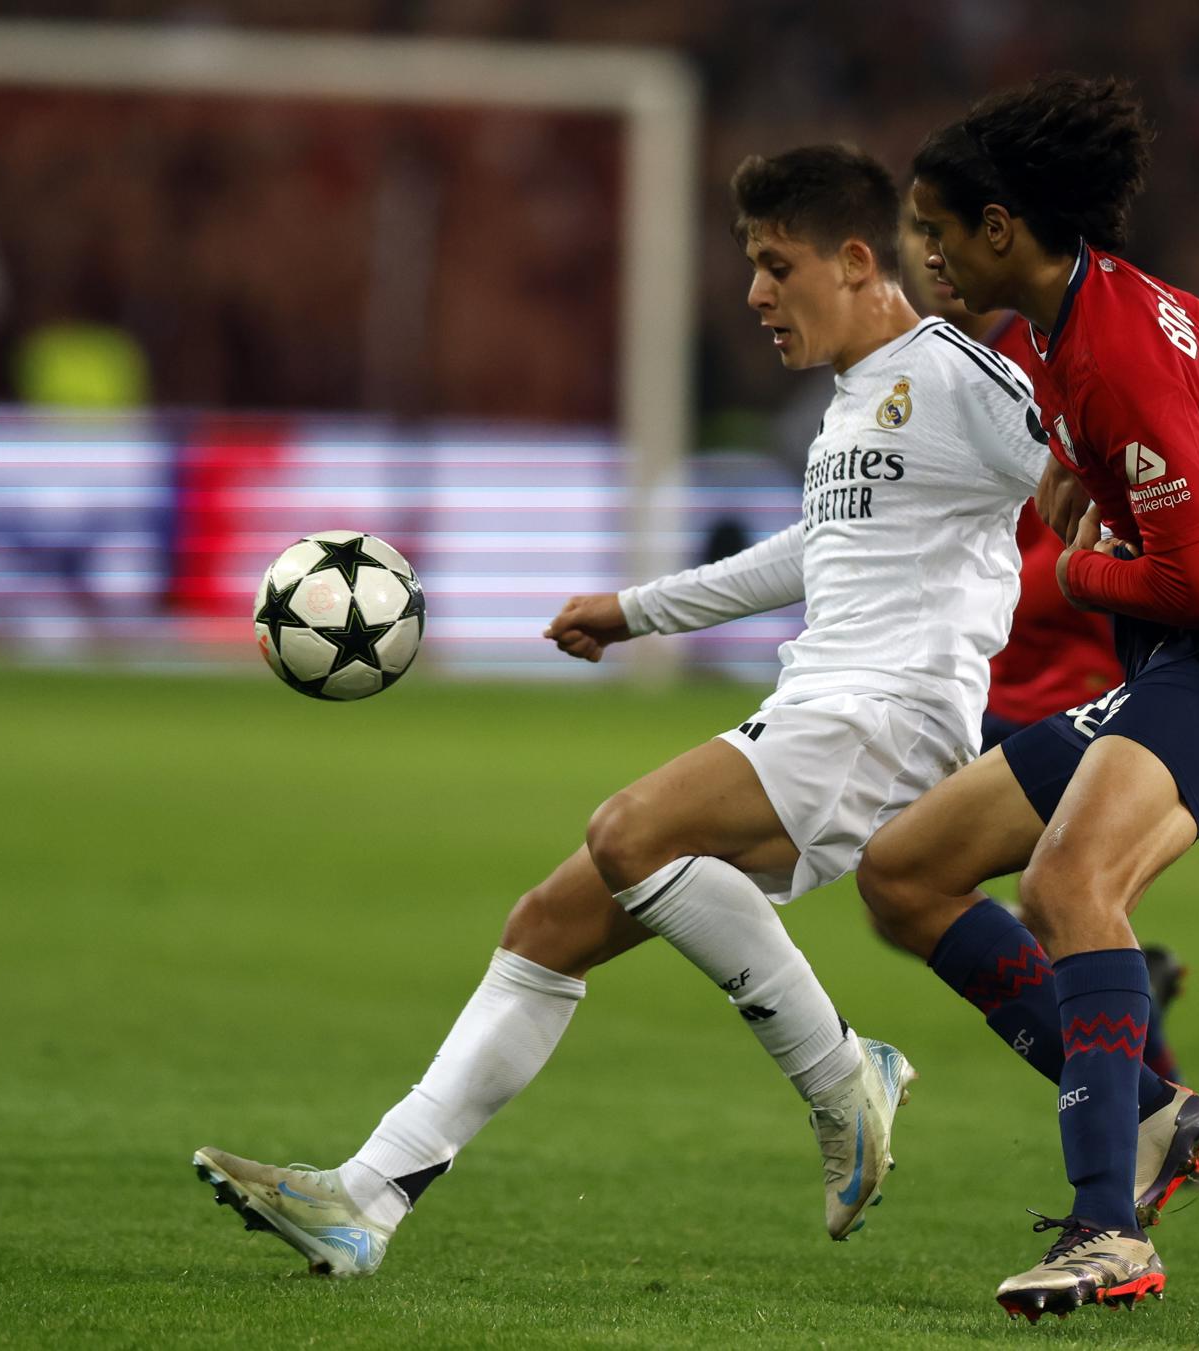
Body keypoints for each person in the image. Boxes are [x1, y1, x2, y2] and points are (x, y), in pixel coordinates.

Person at [190, 143, 1054, 1276]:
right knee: (548, 926)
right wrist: (638, 611)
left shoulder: (955, 372)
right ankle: (367, 1195)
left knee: (629, 832)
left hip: (893, 714)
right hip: (822, 702)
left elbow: (1077, 459)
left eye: (773, 264)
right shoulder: (850, 406)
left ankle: (844, 1072)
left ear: (854, 260)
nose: (753, 294)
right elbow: (815, 551)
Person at [857, 75, 1199, 1320]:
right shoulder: (1101, 306)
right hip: (1190, 665)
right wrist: (1088, 458)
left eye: (939, 231)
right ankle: (1159, 1112)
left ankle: (1108, 1232)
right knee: (904, 874)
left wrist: (1081, 556)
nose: (931, 256)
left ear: (1001, 228)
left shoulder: (1106, 348)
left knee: (1069, 887)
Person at [895, 220, 1199, 1099]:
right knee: (927, 863)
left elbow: (1089, 531)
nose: (932, 253)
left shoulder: (1047, 352)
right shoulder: (952, 360)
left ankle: (1150, 1098)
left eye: (945, 229)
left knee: (954, 870)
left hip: (1081, 659)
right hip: (1007, 661)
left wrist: (1030, 585)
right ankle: (1141, 1054)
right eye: (917, 229)